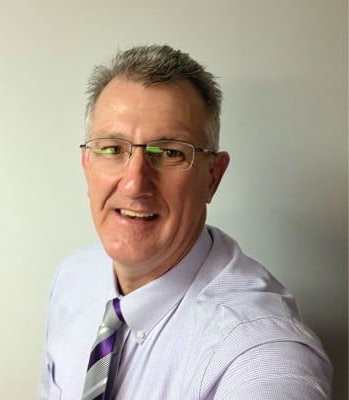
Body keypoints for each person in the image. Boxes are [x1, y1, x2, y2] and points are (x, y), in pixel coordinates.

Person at [40, 44, 332, 400]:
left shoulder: (261, 352)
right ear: (87, 164)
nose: (134, 184)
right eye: (113, 148)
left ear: (213, 177)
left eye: (169, 153)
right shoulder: (71, 279)